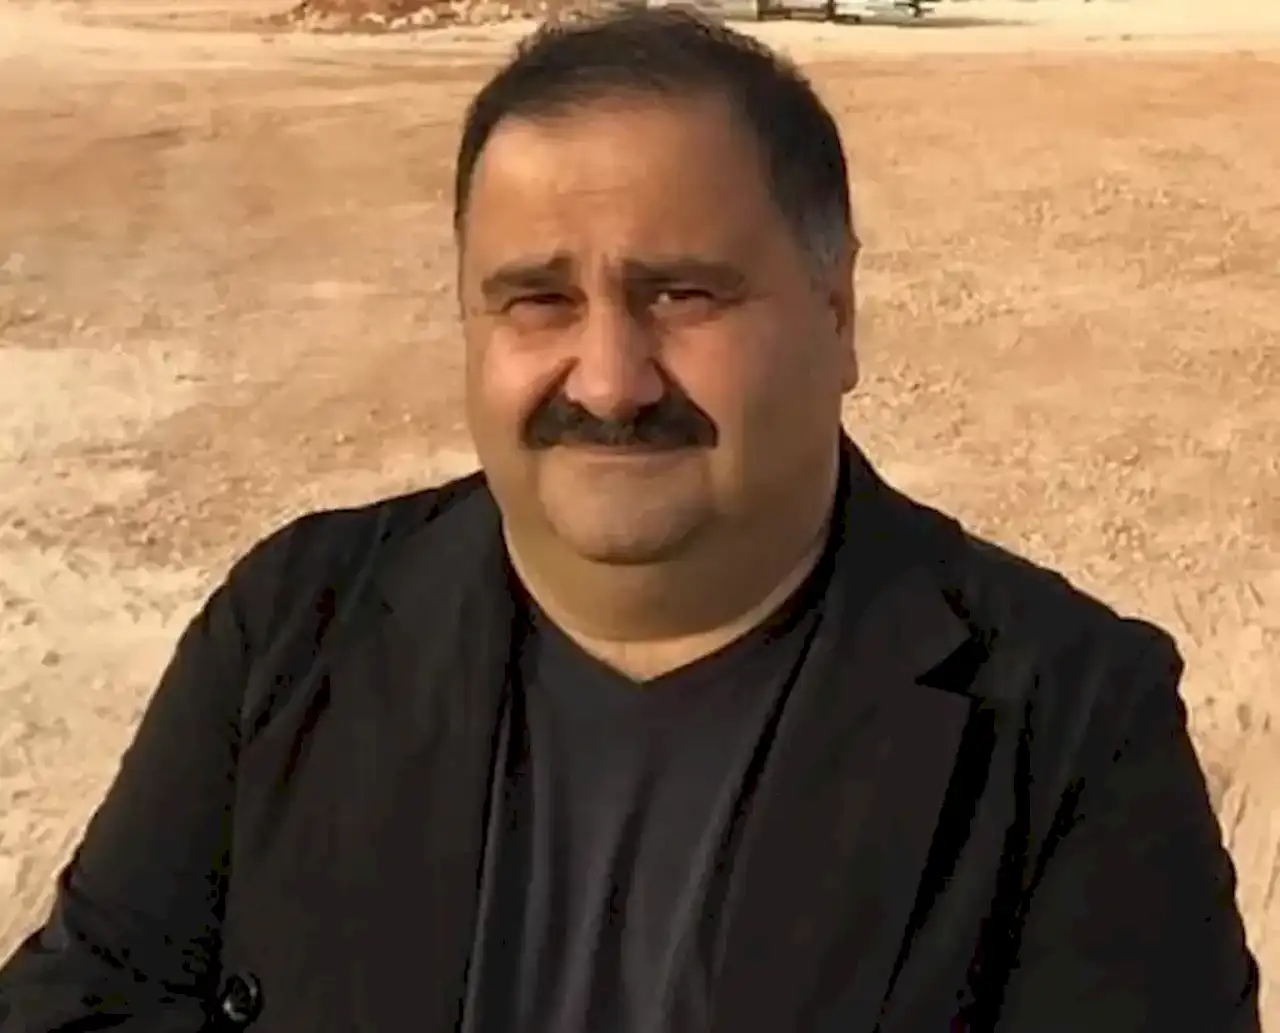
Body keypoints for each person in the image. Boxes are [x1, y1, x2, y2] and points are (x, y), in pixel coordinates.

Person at [0, 9, 1259, 1033]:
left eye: (682, 293)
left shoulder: (1063, 720)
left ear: (836, 315)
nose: (608, 381)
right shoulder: (289, 627)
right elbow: (84, 1001)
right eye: (535, 300)